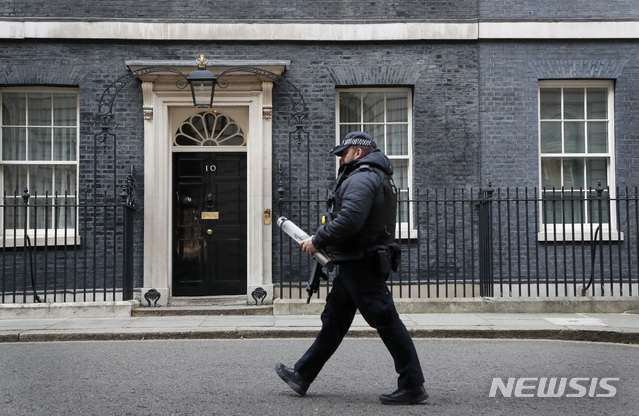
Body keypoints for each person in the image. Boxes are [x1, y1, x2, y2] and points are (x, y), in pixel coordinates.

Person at [275, 131, 427, 405]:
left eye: (343, 153)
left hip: (362, 263)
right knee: (333, 322)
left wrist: (317, 239)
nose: (340, 159)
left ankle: (413, 385)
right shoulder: (373, 176)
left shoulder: (363, 176)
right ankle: (302, 374)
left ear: (358, 152)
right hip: (354, 262)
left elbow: (350, 220)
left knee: (387, 322)